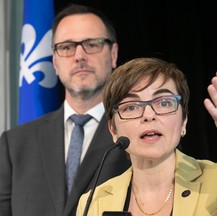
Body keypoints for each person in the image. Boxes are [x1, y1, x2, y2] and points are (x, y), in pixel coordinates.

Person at [76, 57, 217, 216]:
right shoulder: (95, 201)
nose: (149, 115)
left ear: (183, 122)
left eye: (164, 102)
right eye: (131, 106)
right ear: (113, 129)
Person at [0, 4, 131, 216]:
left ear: (113, 54)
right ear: (54, 61)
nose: (79, 56)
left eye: (92, 44)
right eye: (67, 47)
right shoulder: (14, 145)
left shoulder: (136, 135)